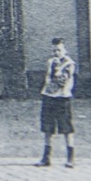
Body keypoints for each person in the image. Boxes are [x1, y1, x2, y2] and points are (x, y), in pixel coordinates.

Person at [35, 37, 76, 168]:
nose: (56, 52)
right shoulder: (51, 62)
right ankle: (46, 157)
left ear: (65, 50)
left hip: (62, 98)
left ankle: (70, 157)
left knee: (66, 128)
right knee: (47, 127)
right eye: (54, 50)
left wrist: (58, 72)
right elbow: (47, 79)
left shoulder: (69, 64)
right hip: (49, 97)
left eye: (59, 50)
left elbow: (63, 80)